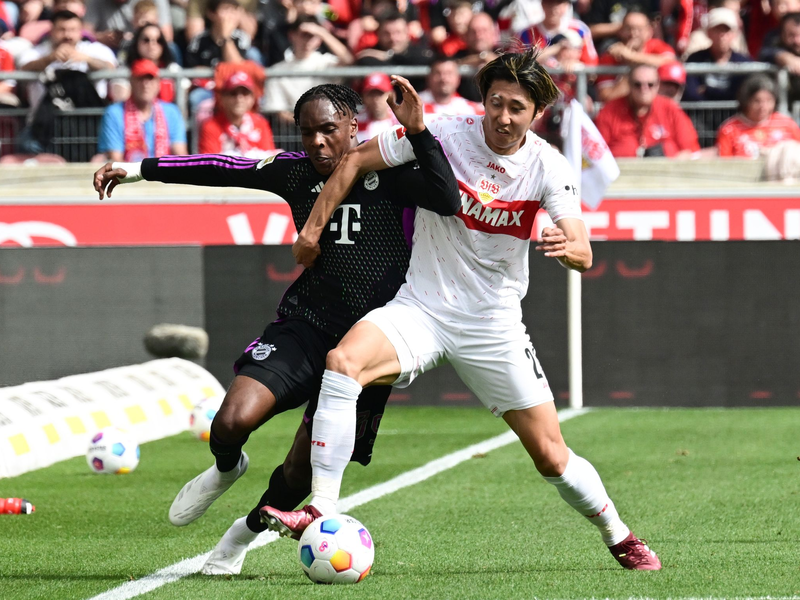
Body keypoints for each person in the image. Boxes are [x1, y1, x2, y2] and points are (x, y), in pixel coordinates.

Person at [261, 49, 663, 571]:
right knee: (343, 364)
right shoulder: (446, 134)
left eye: (516, 107)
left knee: (550, 454)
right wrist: (313, 228)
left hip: (491, 324)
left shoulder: (547, 166)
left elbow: (584, 249)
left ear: (535, 113)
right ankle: (321, 507)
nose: (503, 116)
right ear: (483, 100)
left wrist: (572, 250)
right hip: (421, 307)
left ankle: (619, 535)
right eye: (496, 103)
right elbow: (356, 159)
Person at [92, 83, 461, 575]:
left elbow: (446, 196)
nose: (317, 143)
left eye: (328, 130)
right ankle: (227, 467)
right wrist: (139, 169)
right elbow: (224, 168)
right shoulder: (294, 173)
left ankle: (238, 537)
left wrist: (418, 133)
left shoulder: (389, 173)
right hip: (306, 326)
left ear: (354, 125)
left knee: (295, 476)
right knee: (228, 424)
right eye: (307, 133)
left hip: (370, 342)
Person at [262, 15, 354, 127]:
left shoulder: (325, 63)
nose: (308, 40)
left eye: (313, 36)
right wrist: (308, 124)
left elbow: (348, 60)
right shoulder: (277, 71)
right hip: (293, 131)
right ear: (292, 35)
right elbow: (279, 112)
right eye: (304, 34)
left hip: (325, 127)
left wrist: (322, 33)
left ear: (319, 40)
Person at [595, 63, 700, 158]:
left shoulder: (670, 109)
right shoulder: (610, 111)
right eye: (638, 84)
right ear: (629, 85)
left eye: (650, 84)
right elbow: (597, 155)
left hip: (666, 175)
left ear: (657, 85)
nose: (644, 89)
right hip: (623, 175)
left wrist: (669, 160)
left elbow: (690, 151)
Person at [97, 58, 187, 161]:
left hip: (164, 174)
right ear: (131, 81)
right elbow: (116, 159)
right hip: (127, 174)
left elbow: (180, 155)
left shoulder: (172, 112)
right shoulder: (114, 113)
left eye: (150, 79)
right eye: (140, 79)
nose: (146, 84)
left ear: (158, 83)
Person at [595, 10, 677, 102]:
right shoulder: (610, 56)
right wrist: (631, 69)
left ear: (649, 31)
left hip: (656, 110)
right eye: (628, 28)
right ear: (620, 31)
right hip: (622, 112)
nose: (633, 33)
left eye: (639, 29)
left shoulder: (658, 46)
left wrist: (631, 57)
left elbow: (671, 63)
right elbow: (606, 98)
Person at [716, 73, 800, 157]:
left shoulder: (788, 124)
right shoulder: (729, 129)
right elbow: (724, 162)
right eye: (757, 101)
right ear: (746, 100)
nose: (763, 106)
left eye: (768, 100)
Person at [199, 70, 277, 156]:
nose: (239, 99)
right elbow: (210, 163)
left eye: (245, 93)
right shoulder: (211, 126)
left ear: (253, 98)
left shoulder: (261, 123)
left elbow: (269, 158)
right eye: (233, 93)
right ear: (222, 98)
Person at [684, 7, 750, 102]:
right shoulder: (695, 59)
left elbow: (744, 95)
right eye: (717, 29)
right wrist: (729, 94)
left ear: (734, 34)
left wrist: (708, 91)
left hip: (735, 116)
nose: (722, 35)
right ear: (708, 32)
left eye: (726, 30)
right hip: (700, 116)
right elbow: (692, 94)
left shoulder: (744, 62)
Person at [418, 55, 484, 117]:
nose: (444, 79)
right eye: (438, 74)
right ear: (429, 78)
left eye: (449, 74)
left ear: (458, 78)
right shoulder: (414, 107)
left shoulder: (471, 110)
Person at [356, 71, 398, 141]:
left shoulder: (401, 122)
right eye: (371, 94)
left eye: (380, 94)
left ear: (392, 95)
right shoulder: (355, 124)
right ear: (363, 97)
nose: (375, 99)